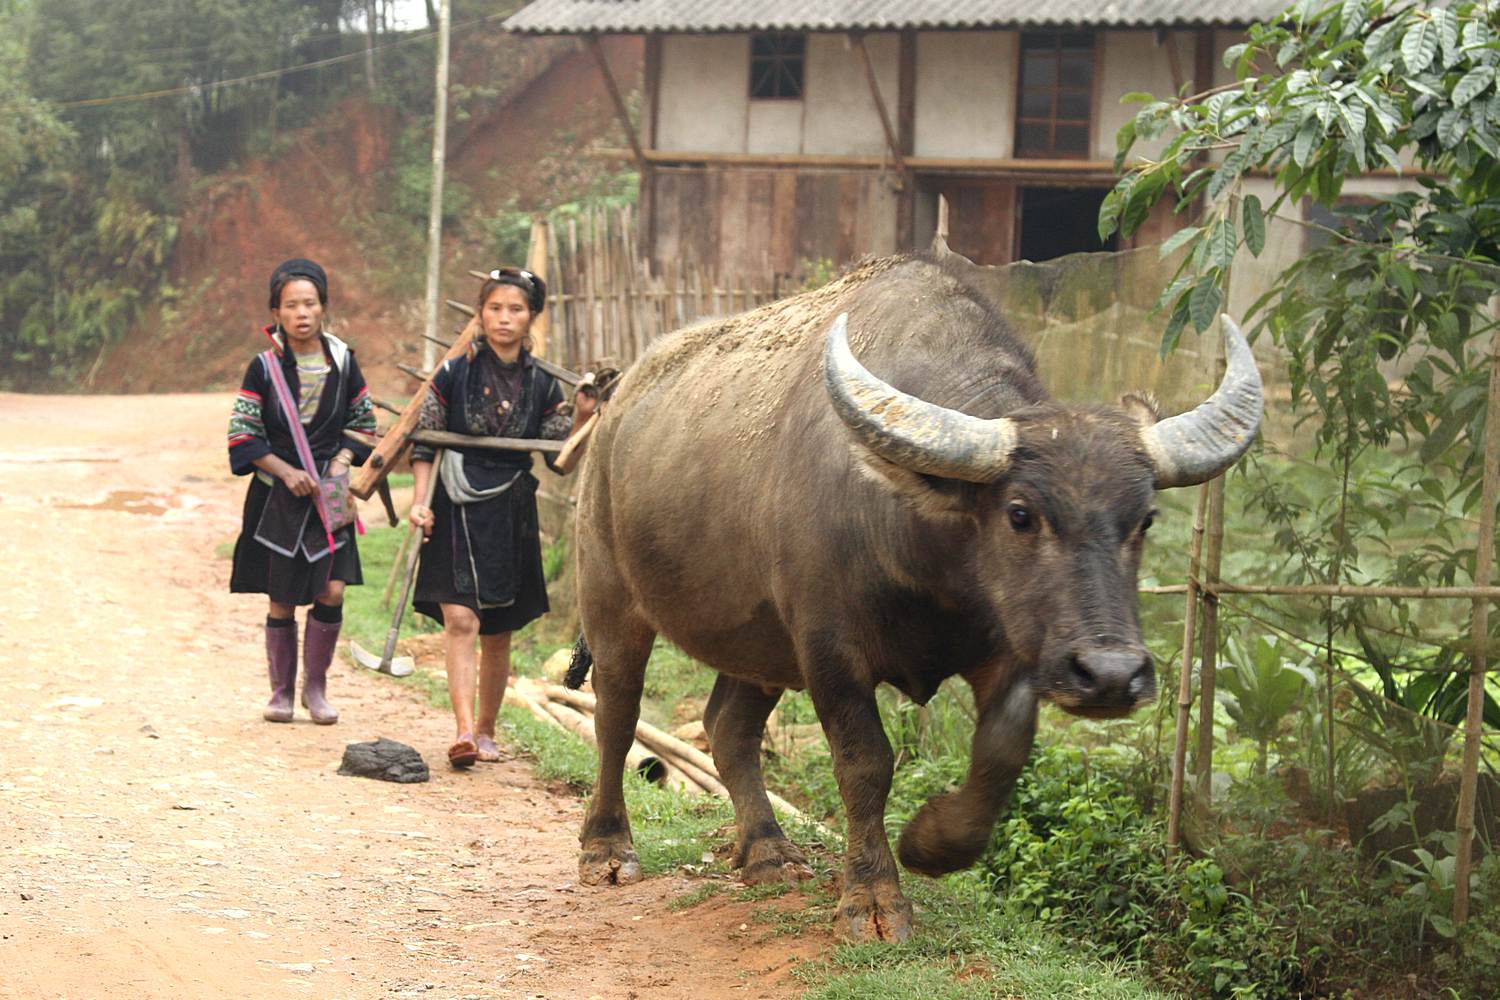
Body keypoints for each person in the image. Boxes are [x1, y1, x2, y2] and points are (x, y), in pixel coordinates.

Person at [408, 267, 596, 768]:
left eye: (515, 309)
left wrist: (579, 418)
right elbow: (425, 439)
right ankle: (464, 730)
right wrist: (420, 501)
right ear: (480, 314)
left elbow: (560, 459)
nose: (504, 318)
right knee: (461, 618)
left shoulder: (542, 384)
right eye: (494, 308)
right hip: (454, 502)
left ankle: (488, 730)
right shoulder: (454, 374)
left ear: (531, 316)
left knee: (496, 630)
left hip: (510, 507)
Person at [227, 258, 377, 724]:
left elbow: (364, 425)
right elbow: (242, 433)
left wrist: (340, 463)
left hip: (329, 495)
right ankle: (279, 694)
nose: (302, 313)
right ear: (276, 313)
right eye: (291, 305)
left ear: (323, 307)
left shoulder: (344, 361)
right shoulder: (263, 369)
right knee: (282, 595)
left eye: (310, 303)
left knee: (332, 590)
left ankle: (316, 688)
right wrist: (285, 470)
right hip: (277, 495)